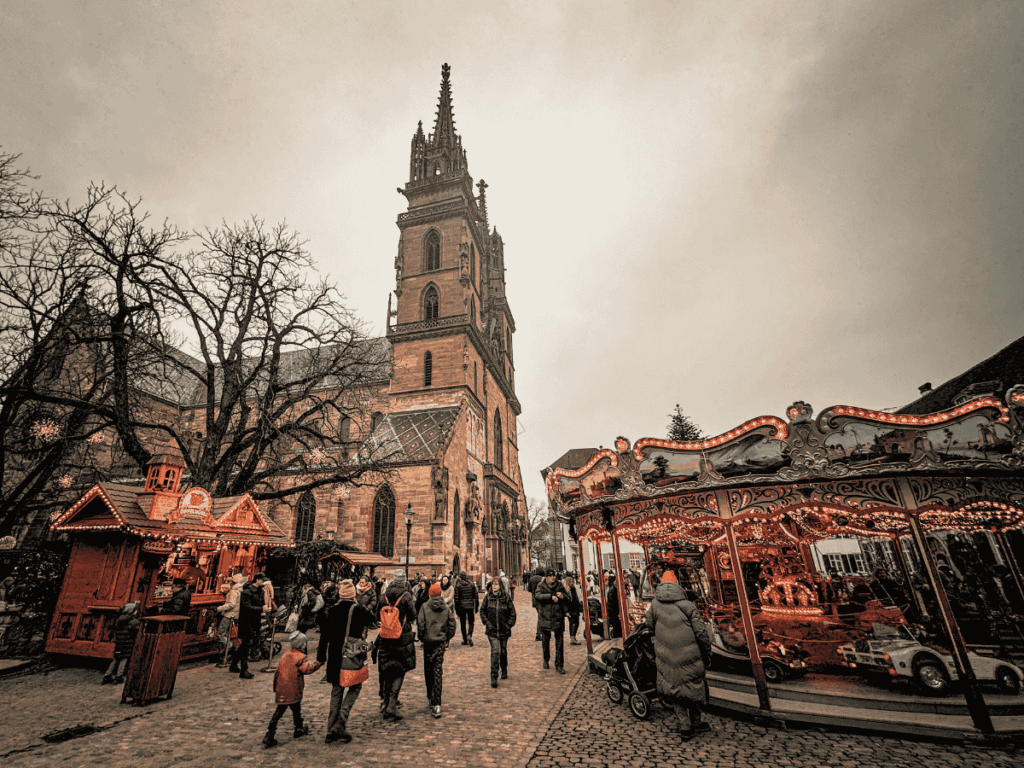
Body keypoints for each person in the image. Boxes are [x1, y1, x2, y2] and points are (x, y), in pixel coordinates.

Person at [643, 569, 712, 742]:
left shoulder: (655, 605)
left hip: (666, 654)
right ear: (676, 584)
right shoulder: (688, 605)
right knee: (693, 687)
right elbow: (701, 633)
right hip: (690, 655)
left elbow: (649, 624)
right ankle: (696, 721)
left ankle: (685, 726)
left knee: (675, 690)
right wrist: (707, 653)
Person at [317, 579, 374, 743]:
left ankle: (330, 730)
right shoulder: (358, 610)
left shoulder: (332, 610)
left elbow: (324, 636)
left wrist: (321, 657)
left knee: (336, 690)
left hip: (335, 655)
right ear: (352, 595)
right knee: (355, 686)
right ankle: (341, 721)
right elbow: (372, 619)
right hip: (352, 655)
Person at [262, 631, 320, 748]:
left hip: (281, 688)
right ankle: (275, 732)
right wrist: (318, 664)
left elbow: (278, 672)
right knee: (290, 709)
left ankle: (291, 729)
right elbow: (307, 669)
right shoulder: (301, 657)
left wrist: (275, 687)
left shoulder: (285, 655)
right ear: (302, 645)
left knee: (287, 709)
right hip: (293, 689)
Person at [376, 569, 417, 721]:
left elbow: (376, 615)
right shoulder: (406, 596)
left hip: (385, 636)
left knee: (386, 669)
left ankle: (385, 702)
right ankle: (392, 704)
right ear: (404, 580)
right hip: (402, 637)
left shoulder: (384, 595)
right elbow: (413, 615)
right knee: (399, 669)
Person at [417, 581, 456, 718]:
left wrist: (422, 638)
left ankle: (430, 697)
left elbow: (420, 625)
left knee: (428, 670)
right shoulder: (446, 608)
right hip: (440, 643)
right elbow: (452, 624)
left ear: (429, 594)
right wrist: (447, 639)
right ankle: (437, 703)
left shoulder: (424, 607)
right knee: (437, 671)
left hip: (428, 643)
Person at [480, 576, 516, 687]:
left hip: (504, 630)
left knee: (503, 651)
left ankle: (504, 668)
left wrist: (508, 625)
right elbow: (482, 611)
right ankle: (494, 675)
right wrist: (487, 623)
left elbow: (512, 613)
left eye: (496, 584)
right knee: (495, 651)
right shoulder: (488, 597)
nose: (494, 586)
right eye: (493, 584)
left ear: (500, 586)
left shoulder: (506, 597)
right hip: (492, 630)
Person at [534, 569, 569, 673]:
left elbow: (567, 598)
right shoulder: (541, 585)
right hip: (545, 616)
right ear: (546, 577)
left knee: (560, 642)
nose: (552, 578)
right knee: (545, 641)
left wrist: (562, 596)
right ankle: (546, 659)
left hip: (558, 617)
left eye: (553, 576)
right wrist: (550, 597)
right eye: (550, 576)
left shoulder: (559, 585)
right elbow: (537, 596)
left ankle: (559, 664)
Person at [235, 572, 266, 679]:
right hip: (246, 621)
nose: (263, 582)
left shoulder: (261, 591)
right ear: (257, 580)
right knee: (246, 644)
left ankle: (234, 664)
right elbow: (246, 607)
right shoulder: (247, 592)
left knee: (246, 644)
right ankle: (244, 669)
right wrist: (261, 609)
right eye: (262, 580)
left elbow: (260, 603)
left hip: (255, 620)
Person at [102, 601, 141, 685]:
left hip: (119, 643)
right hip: (127, 644)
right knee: (124, 660)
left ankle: (107, 675)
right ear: (132, 611)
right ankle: (119, 676)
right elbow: (136, 632)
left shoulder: (120, 620)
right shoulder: (134, 621)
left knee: (116, 659)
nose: (137, 611)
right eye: (136, 610)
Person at [215, 573, 246, 661]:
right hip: (234, 615)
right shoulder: (240, 590)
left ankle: (230, 647)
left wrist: (219, 609)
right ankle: (223, 652)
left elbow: (231, 605)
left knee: (221, 634)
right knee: (226, 634)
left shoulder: (233, 591)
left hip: (229, 615)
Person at [454, 571, 479, 646]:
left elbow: (456, 599)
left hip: (461, 607)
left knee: (463, 623)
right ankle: (469, 635)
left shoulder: (458, 585)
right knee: (471, 622)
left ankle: (465, 639)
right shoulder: (471, 584)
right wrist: (476, 606)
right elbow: (476, 596)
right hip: (470, 606)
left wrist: (456, 609)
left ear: (460, 577)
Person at [562, 574, 583, 645]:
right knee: (574, 623)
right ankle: (572, 638)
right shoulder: (566, 590)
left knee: (575, 623)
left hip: (575, 608)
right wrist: (566, 611)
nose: (572, 583)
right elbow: (565, 602)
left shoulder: (572, 589)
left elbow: (575, 598)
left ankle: (573, 637)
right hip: (571, 609)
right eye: (571, 581)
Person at [528, 568, 544, 641]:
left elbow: (529, 589)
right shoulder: (542, 579)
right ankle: (539, 634)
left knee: (541, 616)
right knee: (541, 617)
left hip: (535, 600)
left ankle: (540, 633)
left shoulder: (532, 579)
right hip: (541, 600)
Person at [606, 574, 621, 638]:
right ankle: (616, 635)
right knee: (615, 622)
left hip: (613, 609)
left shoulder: (612, 588)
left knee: (616, 622)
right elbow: (612, 601)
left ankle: (617, 634)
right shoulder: (612, 590)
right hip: (612, 609)